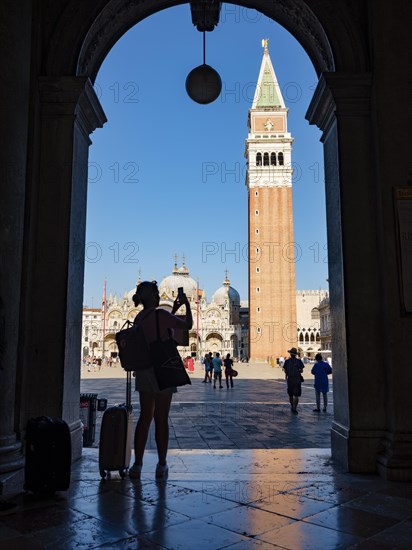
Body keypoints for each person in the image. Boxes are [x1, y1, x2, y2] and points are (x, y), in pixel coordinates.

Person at [129, 280, 192, 480]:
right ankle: (161, 464)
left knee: (145, 417)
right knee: (161, 419)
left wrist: (172, 308)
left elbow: (153, 329)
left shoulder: (139, 317)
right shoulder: (161, 315)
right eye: (157, 293)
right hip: (164, 368)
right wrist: (187, 305)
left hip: (145, 370)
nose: (158, 296)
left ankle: (137, 465)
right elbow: (187, 325)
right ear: (153, 297)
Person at [283, 347, 304, 414]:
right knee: (296, 395)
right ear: (295, 354)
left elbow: (285, 370)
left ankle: (292, 406)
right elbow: (302, 370)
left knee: (291, 395)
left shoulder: (287, 361)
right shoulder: (299, 361)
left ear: (290, 354)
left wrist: (287, 375)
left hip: (290, 379)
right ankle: (295, 408)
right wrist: (298, 371)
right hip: (297, 379)